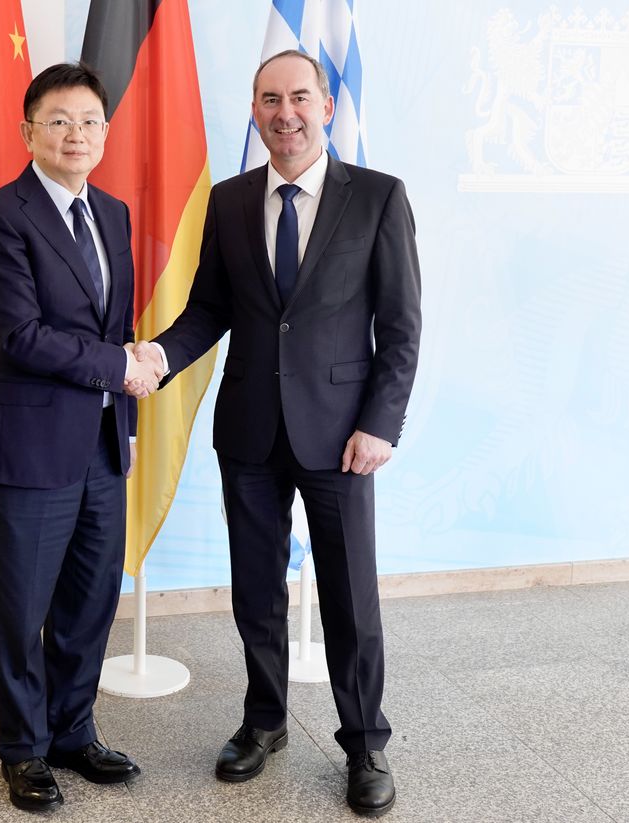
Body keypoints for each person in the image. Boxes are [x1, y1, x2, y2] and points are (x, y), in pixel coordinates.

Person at [130, 50, 421, 817]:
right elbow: (206, 311)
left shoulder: (378, 198)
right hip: (251, 432)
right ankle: (264, 722)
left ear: (327, 106)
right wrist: (155, 356)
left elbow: (401, 326)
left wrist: (380, 425)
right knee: (256, 590)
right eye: (269, 99)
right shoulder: (228, 202)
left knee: (350, 595)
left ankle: (365, 741)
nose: (284, 112)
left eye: (299, 97)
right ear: (253, 111)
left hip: (342, 438)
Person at [0, 61, 161, 813]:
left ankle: (73, 730)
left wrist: (129, 419)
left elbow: (118, 327)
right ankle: (23, 748)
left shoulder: (111, 211)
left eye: (89, 122)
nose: (76, 135)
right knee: (22, 606)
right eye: (59, 121)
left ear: (105, 133)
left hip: (103, 444)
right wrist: (119, 368)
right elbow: (20, 335)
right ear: (28, 132)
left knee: (90, 598)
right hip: (29, 446)